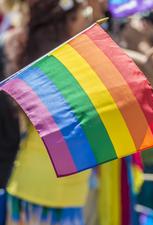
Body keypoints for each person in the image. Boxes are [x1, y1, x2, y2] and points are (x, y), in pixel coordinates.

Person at [2, 1, 94, 224]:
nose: (87, 17)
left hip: (32, 184)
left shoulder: (21, 54)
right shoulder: (71, 66)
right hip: (57, 191)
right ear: (65, 22)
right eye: (79, 16)